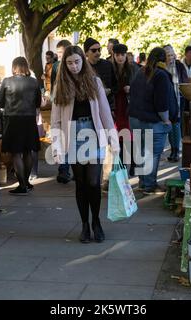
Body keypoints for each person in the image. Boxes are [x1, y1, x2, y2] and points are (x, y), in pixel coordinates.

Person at [51, 45, 119, 243]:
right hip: (72, 135)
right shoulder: (60, 85)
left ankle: (96, 221)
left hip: (93, 134)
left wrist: (113, 141)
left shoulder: (94, 82)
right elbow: (55, 119)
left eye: (77, 62)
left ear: (83, 60)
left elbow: (105, 114)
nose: (74, 66)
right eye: (70, 63)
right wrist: (56, 147)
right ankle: (84, 225)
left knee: (93, 182)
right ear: (65, 64)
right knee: (80, 184)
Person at [129, 47, 177, 195]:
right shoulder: (161, 75)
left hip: (135, 119)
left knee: (142, 152)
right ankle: (149, 185)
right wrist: (167, 120)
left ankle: (143, 183)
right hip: (152, 120)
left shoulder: (140, 72)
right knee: (151, 154)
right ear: (164, 59)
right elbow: (161, 102)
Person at [0, 57, 41, 195]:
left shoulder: (7, 81)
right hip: (29, 119)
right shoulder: (34, 82)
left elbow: (0, 103)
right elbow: (38, 103)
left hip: (13, 120)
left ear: (13, 67)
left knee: (16, 153)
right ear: (26, 67)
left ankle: (22, 185)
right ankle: (26, 182)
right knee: (28, 151)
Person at [112, 43, 137, 175]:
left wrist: (130, 89)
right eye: (117, 55)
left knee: (130, 135)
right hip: (117, 104)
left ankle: (132, 162)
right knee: (119, 135)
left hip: (128, 105)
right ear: (113, 55)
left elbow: (138, 87)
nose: (120, 57)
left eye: (122, 55)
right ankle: (122, 164)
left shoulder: (132, 68)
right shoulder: (111, 69)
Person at [51, 39, 73, 184]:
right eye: (57, 53)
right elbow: (53, 84)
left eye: (61, 52)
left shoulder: (73, 64)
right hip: (60, 101)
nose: (59, 55)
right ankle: (64, 170)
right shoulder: (56, 66)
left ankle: (70, 168)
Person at [163, 44, 188, 162]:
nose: (171, 57)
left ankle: (176, 150)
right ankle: (172, 149)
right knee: (169, 124)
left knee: (176, 124)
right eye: (168, 55)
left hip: (178, 98)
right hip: (165, 98)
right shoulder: (162, 66)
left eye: (172, 54)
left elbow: (185, 81)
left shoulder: (179, 65)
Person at [84, 37, 117, 112]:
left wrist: (110, 90)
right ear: (86, 53)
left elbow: (115, 85)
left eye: (99, 49)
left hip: (108, 106)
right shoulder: (82, 68)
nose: (98, 53)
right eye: (94, 50)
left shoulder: (108, 65)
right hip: (89, 109)